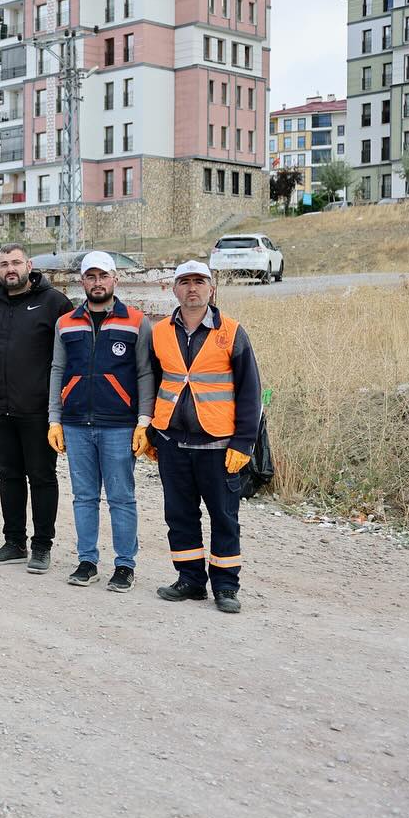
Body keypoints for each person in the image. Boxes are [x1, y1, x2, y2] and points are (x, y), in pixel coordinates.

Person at [147, 260, 262, 615]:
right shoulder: (160, 332)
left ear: (211, 289)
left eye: (199, 282)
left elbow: (250, 391)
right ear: (174, 289)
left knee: (223, 517)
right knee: (179, 515)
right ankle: (190, 579)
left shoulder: (232, 332)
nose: (192, 288)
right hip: (172, 443)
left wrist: (243, 442)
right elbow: (153, 383)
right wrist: (150, 430)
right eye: (185, 282)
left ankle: (225, 586)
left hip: (218, 446)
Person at [46, 251, 154, 592]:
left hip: (120, 425)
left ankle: (124, 565)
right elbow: (57, 370)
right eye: (91, 277)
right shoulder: (66, 323)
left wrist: (144, 421)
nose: (97, 282)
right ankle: (87, 561)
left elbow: (145, 373)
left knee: (121, 497)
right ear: (82, 282)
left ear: (115, 279)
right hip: (76, 424)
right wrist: (54, 419)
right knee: (83, 497)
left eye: (103, 276)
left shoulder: (136, 321)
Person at [0, 243, 74, 573]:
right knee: (9, 477)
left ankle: (42, 546)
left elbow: (69, 357)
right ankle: (14, 542)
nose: (10, 269)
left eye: (16, 262)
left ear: (29, 265)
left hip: (38, 411)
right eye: (4, 264)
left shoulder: (55, 303)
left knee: (42, 478)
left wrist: (59, 407)